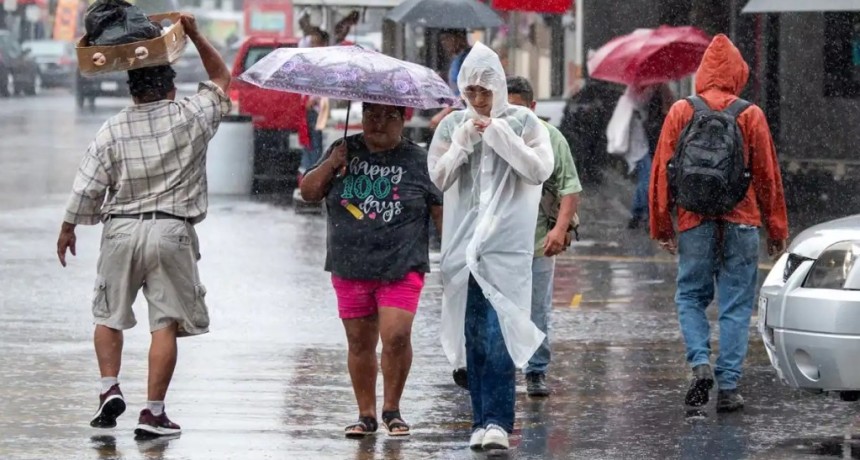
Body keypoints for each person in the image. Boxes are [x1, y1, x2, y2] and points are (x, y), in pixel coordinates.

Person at [56, 14, 231, 436]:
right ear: (170, 85)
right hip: (171, 231)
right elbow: (223, 77)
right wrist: (191, 32)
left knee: (109, 315)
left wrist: (68, 227)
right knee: (164, 324)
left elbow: (87, 187)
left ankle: (109, 387)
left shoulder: (112, 129)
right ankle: (153, 413)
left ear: (131, 91)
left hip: (120, 231)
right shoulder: (191, 114)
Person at [650, 34, 789, 413]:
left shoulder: (682, 110)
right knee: (736, 304)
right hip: (741, 222)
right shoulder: (750, 114)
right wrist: (776, 231)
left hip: (695, 219)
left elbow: (662, 171)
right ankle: (729, 387)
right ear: (738, 72)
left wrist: (662, 226)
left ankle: (699, 362)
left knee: (691, 297)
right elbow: (767, 177)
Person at [428, 42, 554, 451]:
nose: (479, 101)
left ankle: (499, 419)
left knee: (500, 331)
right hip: (464, 249)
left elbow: (538, 170)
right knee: (473, 338)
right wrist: (464, 141)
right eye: (471, 93)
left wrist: (500, 137)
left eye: (486, 91)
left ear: (499, 88)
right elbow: (440, 178)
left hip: (505, 248)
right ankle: (480, 420)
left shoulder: (523, 122)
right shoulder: (452, 126)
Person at [300, 103, 443, 438]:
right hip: (350, 263)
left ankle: (392, 408)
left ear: (403, 119)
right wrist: (332, 165)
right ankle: (366, 415)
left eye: (388, 117)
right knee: (359, 342)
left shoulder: (421, 160)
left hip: (402, 263)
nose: (378, 123)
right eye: (371, 116)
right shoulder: (343, 150)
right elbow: (308, 192)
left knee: (395, 335)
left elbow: (439, 210)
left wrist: (454, 254)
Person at [507, 76, 582, 397]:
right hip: (501, 243)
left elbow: (570, 188)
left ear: (533, 107)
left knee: (536, 309)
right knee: (502, 307)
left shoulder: (552, 139)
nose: (514, 117)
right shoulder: (494, 136)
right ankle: (500, 367)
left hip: (538, 242)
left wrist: (559, 229)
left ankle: (536, 370)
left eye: (520, 109)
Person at [606, 83, 673, 229]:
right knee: (648, 179)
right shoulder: (637, 98)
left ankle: (640, 214)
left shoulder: (633, 98)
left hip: (645, 145)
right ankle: (642, 213)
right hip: (642, 146)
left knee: (647, 179)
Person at [429, 29, 472, 130]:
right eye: (442, 40)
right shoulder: (457, 58)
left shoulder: (467, 59)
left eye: (447, 39)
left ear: (460, 38)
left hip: (465, 115)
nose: (444, 44)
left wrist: (444, 113)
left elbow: (468, 91)